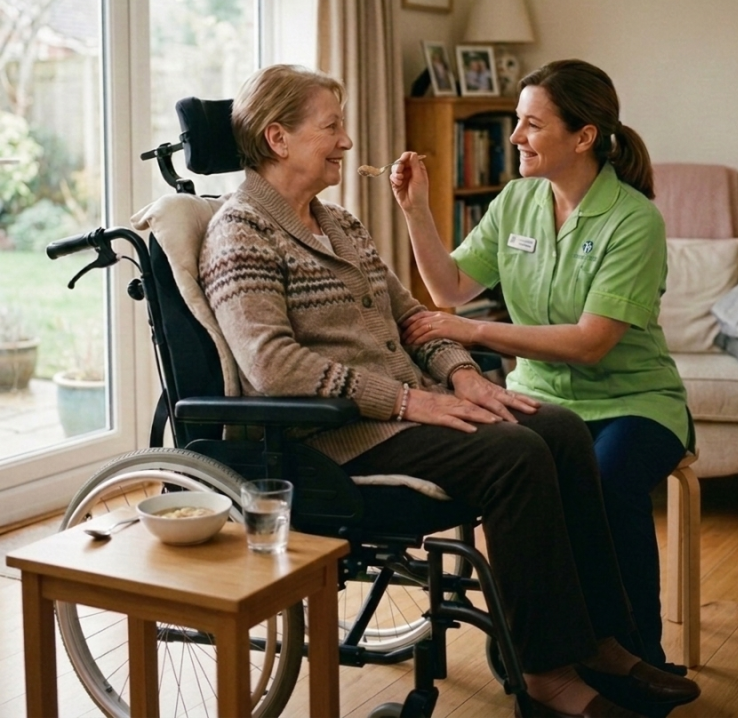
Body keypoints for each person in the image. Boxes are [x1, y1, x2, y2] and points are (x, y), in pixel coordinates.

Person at [199, 63, 699, 718]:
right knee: (516, 455)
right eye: (333, 127)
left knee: (557, 429)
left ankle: (602, 641)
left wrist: (462, 375)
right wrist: (412, 400)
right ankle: (547, 675)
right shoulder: (242, 234)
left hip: (415, 414)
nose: (347, 142)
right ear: (277, 138)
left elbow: (415, 318)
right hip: (341, 433)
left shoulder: (342, 225)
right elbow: (272, 366)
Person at [391, 58, 692, 675]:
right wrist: (416, 210)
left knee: (608, 484)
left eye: (532, 123)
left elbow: (590, 344)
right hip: (537, 397)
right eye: (517, 122)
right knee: (513, 477)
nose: (515, 137)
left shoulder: (634, 220)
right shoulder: (515, 201)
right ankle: (540, 651)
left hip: (633, 402)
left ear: (583, 136)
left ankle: (638, 656)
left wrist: (473, 329)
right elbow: (449, 285)